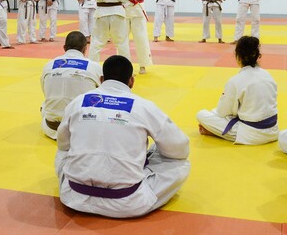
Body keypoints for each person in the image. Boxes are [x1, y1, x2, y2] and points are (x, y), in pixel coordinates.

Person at [55, 55, 190, 218]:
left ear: (101, 79)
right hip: (127, 203)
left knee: (62, 153)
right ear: (131, 81)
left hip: (74, 197)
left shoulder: (78, 102)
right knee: (181, 164)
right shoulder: (144, 106)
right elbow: (180, 148)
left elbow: (63, 144)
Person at [196, 36, 278, 144]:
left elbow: (223, 112)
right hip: (273, 131)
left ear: (238, 56)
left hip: (250, 134)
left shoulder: (235, 81)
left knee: (201, 114)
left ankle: (215, 132)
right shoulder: (268, 75)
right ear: (257, 56)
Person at [40, 31, 101, 140]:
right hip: (83, 129)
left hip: (52, 128)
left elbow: (45, 91)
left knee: (44, 105)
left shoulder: (48, 65)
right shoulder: (94, 67)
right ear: (85, 49)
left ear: (64, 48)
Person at [117, 0, 152, 74]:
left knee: (140, 37)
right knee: (122, 39)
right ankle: (123, 64)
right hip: (123, 8)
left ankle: (143, 65)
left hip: (137, 8)